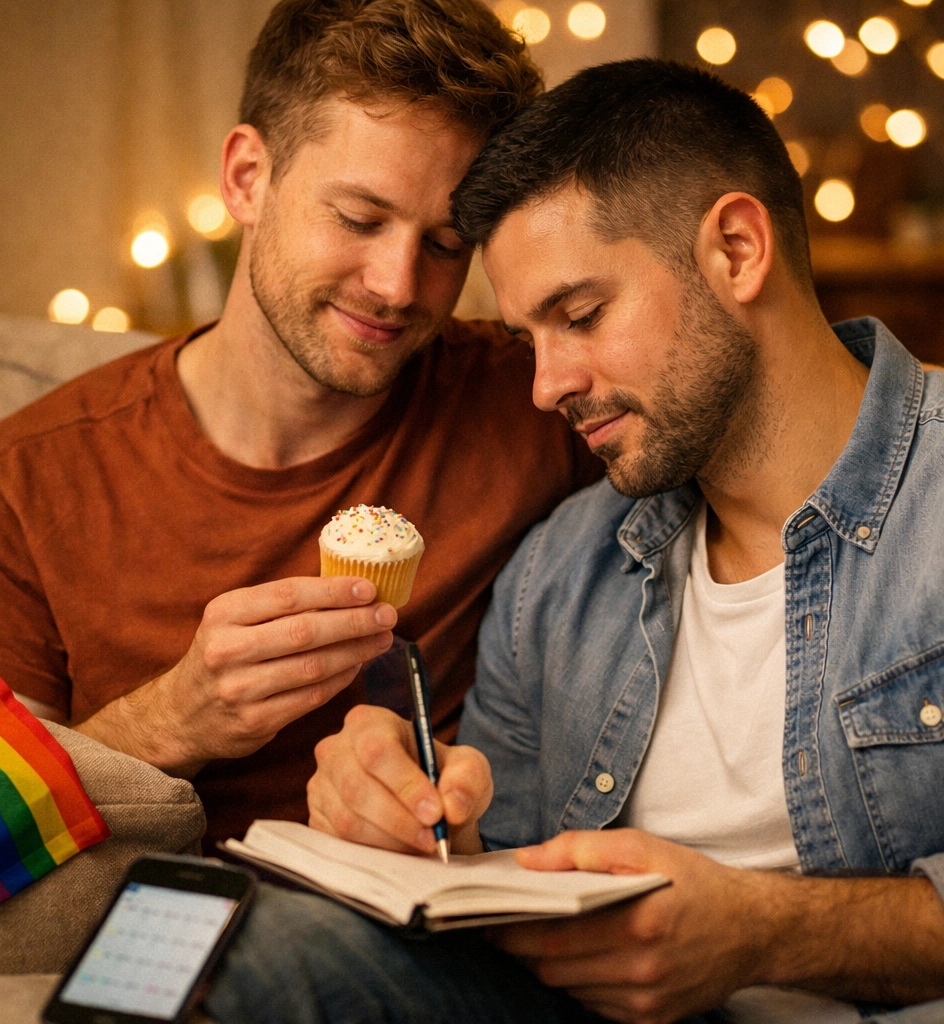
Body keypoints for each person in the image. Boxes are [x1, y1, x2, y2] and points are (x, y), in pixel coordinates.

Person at [202, 60, 944, 1024]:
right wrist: (434, 839)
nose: (546, 385)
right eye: (529, 334)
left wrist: (763, 933)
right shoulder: (560, 569)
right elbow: (499, 892)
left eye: (581, 316)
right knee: (254, 941)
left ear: (735, 249)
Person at [0, 0, 600, 851]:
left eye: (445, 242)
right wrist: (174, 720)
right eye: (357, 219)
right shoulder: (18, 483)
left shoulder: (537, 398)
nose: (396, 284)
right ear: (246, 177)